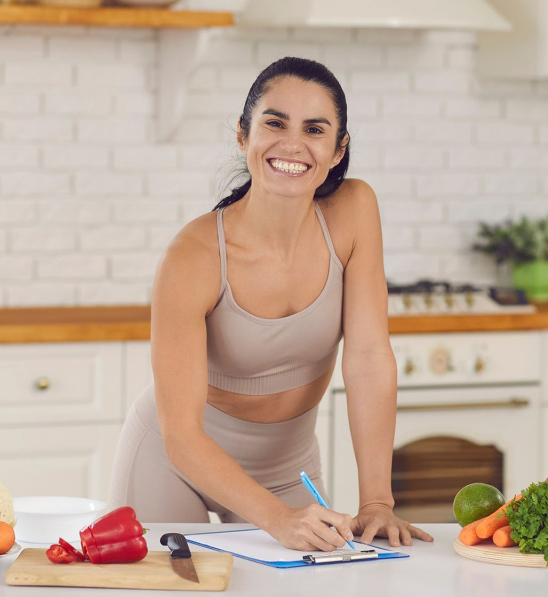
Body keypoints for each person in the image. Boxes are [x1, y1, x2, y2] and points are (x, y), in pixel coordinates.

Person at [110, 56, 433, 551]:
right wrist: (280, 520)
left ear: (337, 148)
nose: (292, 143)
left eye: (315, 129)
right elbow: (181, 434)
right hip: (173, 463)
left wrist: (377, 503)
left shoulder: (353, 212)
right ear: (244, 135)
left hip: (288, 469)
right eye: (274, 122)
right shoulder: (192, 256)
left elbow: (368, 359)